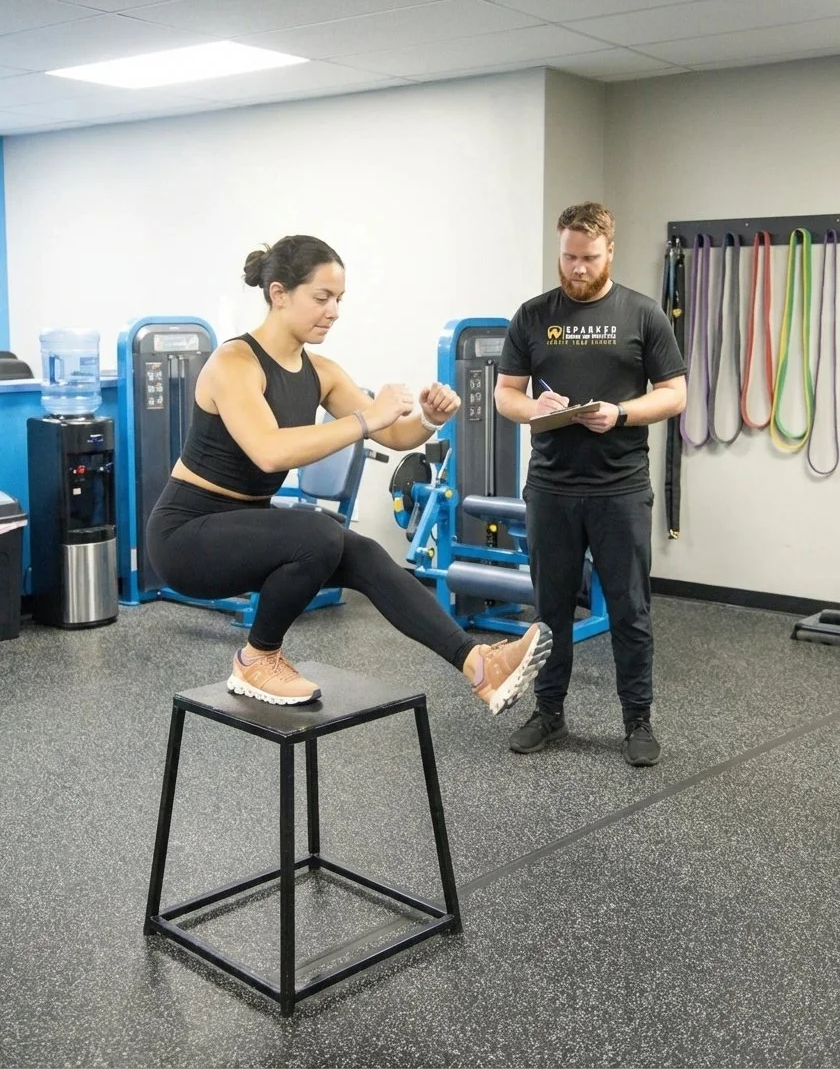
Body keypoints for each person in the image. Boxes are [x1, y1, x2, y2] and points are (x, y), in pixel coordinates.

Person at [146, 234, 551, 710]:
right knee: (318, 533)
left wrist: (427, 420)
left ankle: (479, 665)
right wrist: (364, 420)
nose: (334, 310)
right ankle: (258, 658)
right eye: (321, 297)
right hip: (186, 535)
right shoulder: (234, 362)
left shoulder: (321, 370)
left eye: (339, 299)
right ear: (279, 293)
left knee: (361, 552)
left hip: (243, 526)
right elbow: (269, 452)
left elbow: (395, 435)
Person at [494, 203, 686, 766]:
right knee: (549, 608)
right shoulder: (532, 316)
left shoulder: (642, 314)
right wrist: (535, 407)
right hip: (551, 487)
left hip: (619, 489)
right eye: (569, 257)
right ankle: (548, 713)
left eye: (589, 258)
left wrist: (621, 413)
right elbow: (507, 392)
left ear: (610, 252)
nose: (578, 268)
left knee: (629, 609)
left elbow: (674, 393)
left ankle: (638, 722)